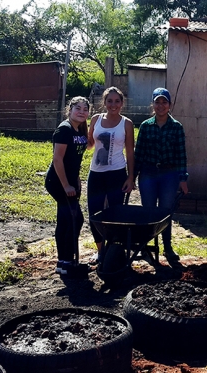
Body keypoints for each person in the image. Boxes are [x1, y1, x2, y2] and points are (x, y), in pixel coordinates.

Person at [134, 87, 188, 262]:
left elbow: (181, 155)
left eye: (164, 102)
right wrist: (132, 177)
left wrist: (183, 179)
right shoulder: (145, 126)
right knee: (148, 212)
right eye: (157, 102)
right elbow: (139, 154)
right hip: (148, 173)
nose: (161, 105)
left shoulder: (176, 127)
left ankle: (167, 248)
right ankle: (145, 247)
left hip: (169, 175)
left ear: (170, 105)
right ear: (153, 104)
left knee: (165, 212)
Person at [86, 87, 135, 265]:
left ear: (122, 103)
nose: (113, 105)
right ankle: (101, 251)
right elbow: (90, 145)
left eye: (117, 101)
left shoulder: (127, 123)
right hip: (96, 174)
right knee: (94, 213)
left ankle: (115, 251)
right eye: (109, 101)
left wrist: (130, 177)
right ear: (104, 102)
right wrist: (82, 136)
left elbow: (130, 152)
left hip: (117, 173)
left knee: (115, 214)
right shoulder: (95, 119)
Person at [44, 96, 91, 277]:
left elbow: (74, 161)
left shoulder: (79, 130)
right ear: (69, 110)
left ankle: (64, 264)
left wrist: (76, 180)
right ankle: (67, 261)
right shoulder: (64, 130)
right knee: (75, 219)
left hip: (70, 182)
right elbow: (58, 160)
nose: (81, 112)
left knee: (66, 220)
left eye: (85, 109)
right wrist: (66, 185)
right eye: (77, 108)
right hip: (58, 182)